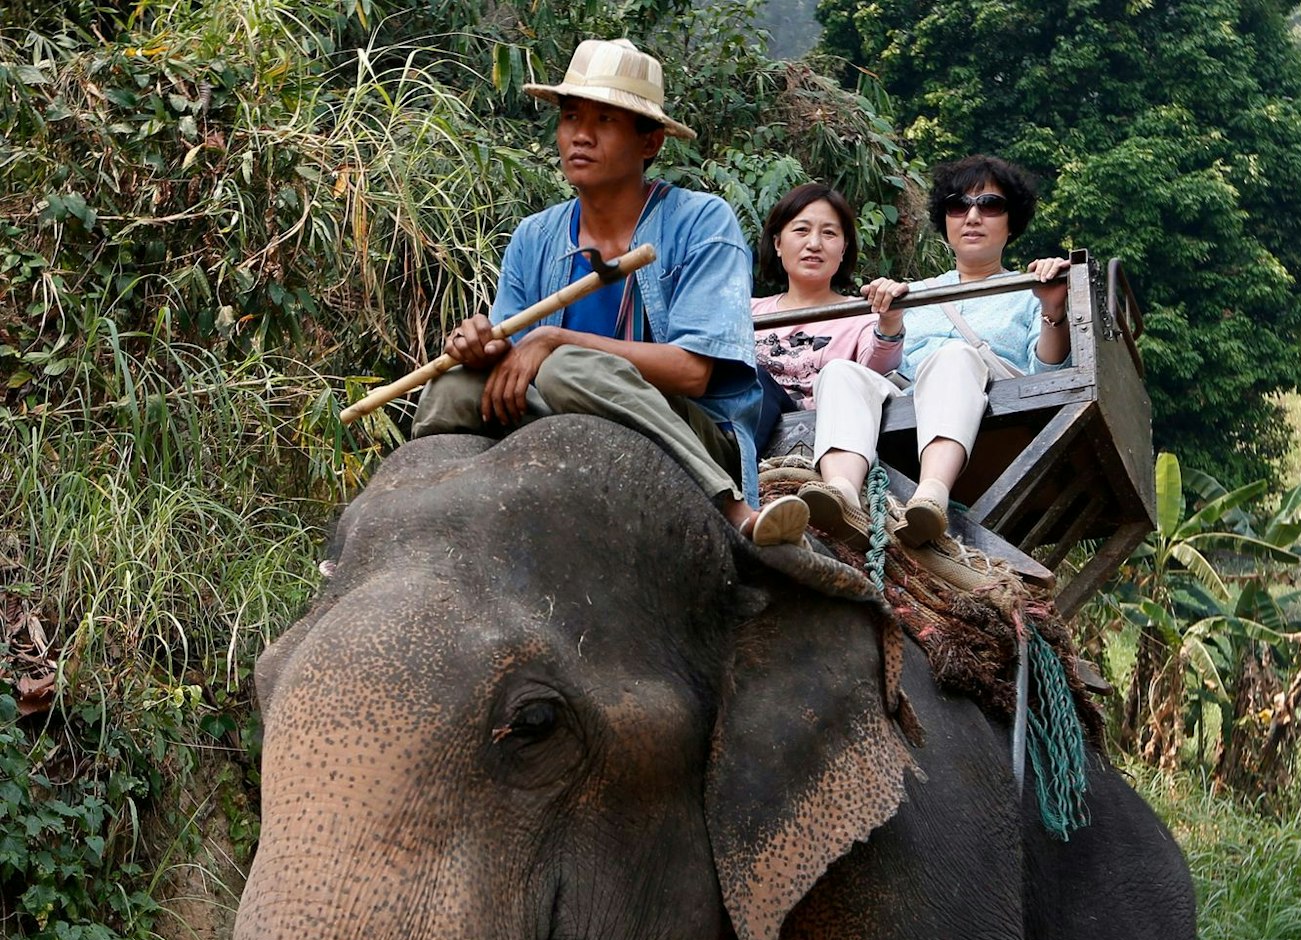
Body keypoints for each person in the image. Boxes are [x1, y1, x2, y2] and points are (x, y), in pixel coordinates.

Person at [415, 38, 806, 546]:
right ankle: (412, 522)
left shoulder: (701, 221)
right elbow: (513, 357)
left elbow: (692, 371)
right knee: (450, 387)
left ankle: (731, 508)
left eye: (605, 121)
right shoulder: (534, 236)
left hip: (685, 429)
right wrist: (482, 347)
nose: (580, 135)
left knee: (569, 367)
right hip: (558, 407)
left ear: (650, 143)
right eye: (571, 117)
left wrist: (557, 341)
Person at [798, 155, 1073, 559]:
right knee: (840, 371)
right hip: (911, 401)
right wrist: (889, 322)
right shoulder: (915, 293)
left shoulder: (1029, 288)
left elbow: (1045, 373)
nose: (973, 216)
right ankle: (842, 492)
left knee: (953, 356)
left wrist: (1052, 307)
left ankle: (931, 494)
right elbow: (887, 370)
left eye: (990, 205)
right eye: (958, 205)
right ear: (945, 220)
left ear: (1011, 222)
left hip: (992, 405)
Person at [750, 183, 902, 411]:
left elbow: (875, 374)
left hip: (822, 431)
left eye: (829, 233)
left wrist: (890, 320)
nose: (814, 244)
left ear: (843, 249)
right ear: (778, 243)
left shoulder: (861, 316)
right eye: (801, 230)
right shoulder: (746, 311)